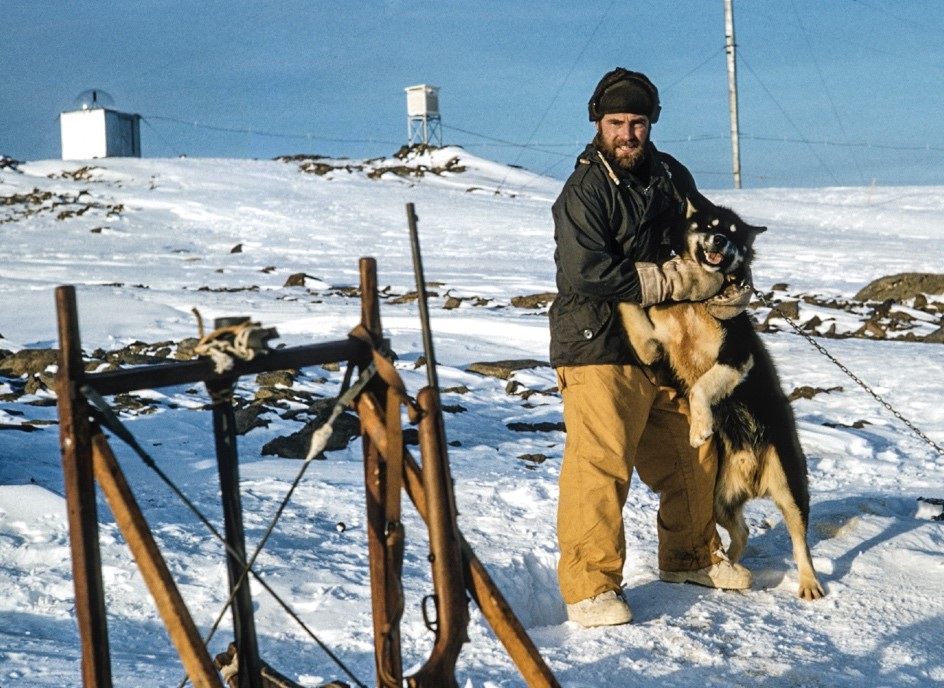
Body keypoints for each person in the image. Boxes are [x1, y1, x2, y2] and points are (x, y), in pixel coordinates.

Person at [549, 67, 752, 628]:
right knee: (601, 461)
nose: (628, 135)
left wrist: (728, 271)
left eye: (637, 123)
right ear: (598, 124)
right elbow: (586, 270)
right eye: (617, 123)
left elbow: (713, 228)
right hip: (597, 342)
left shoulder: (668, 174)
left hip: (665, 343)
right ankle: (590, 588)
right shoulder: (584, 191)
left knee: (693, 449)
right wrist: (669, 281)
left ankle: (688, 557)